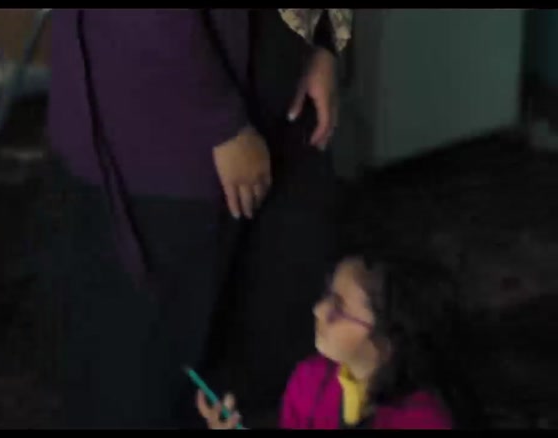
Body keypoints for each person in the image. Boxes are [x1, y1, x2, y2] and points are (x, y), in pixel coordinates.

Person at [46, 9, 352, 428]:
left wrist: (326, 42)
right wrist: (221, 124)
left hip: (282, 106)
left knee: (269, 361)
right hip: (166, 138)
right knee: (145, 379)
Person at [197, 243, 479, 429]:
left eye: (339, 307)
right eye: (327, 295)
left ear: (388, 340)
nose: (319, 309)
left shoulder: (423, 421)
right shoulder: (308, 380)